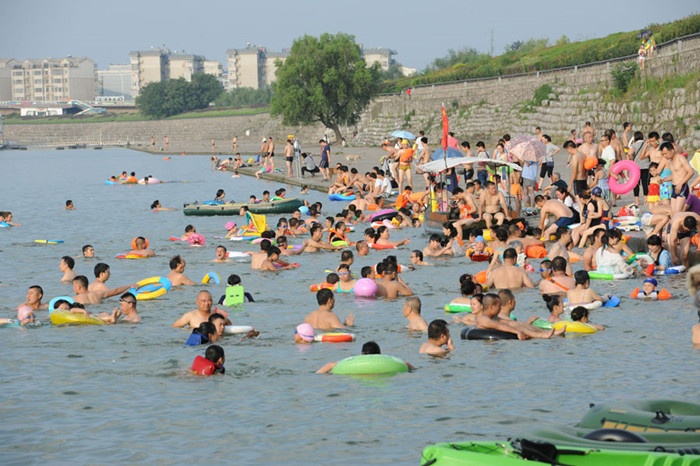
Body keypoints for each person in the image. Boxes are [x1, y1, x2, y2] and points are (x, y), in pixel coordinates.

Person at [475, 293, 563, 339]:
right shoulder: (483, 319)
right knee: (517, 327)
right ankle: (542, 336)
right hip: (489, 335)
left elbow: (509, 322)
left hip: (500, 330)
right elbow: (499, 325)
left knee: (515, 324)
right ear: (492, 306)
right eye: (499, 306)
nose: (500, 308)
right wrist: (517, 332)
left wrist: (526, 324)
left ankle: (546, 332)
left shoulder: (493, 317)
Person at [316, 341, 414, 373]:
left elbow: (331, 364)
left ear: (362, 354)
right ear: (379, 354)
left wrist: (318, 373)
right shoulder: (388, 363)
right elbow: (406, 364)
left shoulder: (355, 364)